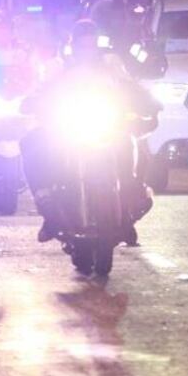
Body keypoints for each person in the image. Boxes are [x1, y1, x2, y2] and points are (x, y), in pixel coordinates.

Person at [21, 19, 157, 244]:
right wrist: (34, 101)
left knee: (134, 144)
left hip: (107, 127)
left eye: (90, 45)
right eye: (82, 45)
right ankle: (48, 207)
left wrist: (149, 103)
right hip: (68, 127)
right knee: (32, 142)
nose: (86, 51)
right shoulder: (59, 66)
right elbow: (42, 90)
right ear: (73, 46)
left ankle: (129, 206)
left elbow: (131, 87)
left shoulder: (111, 64)